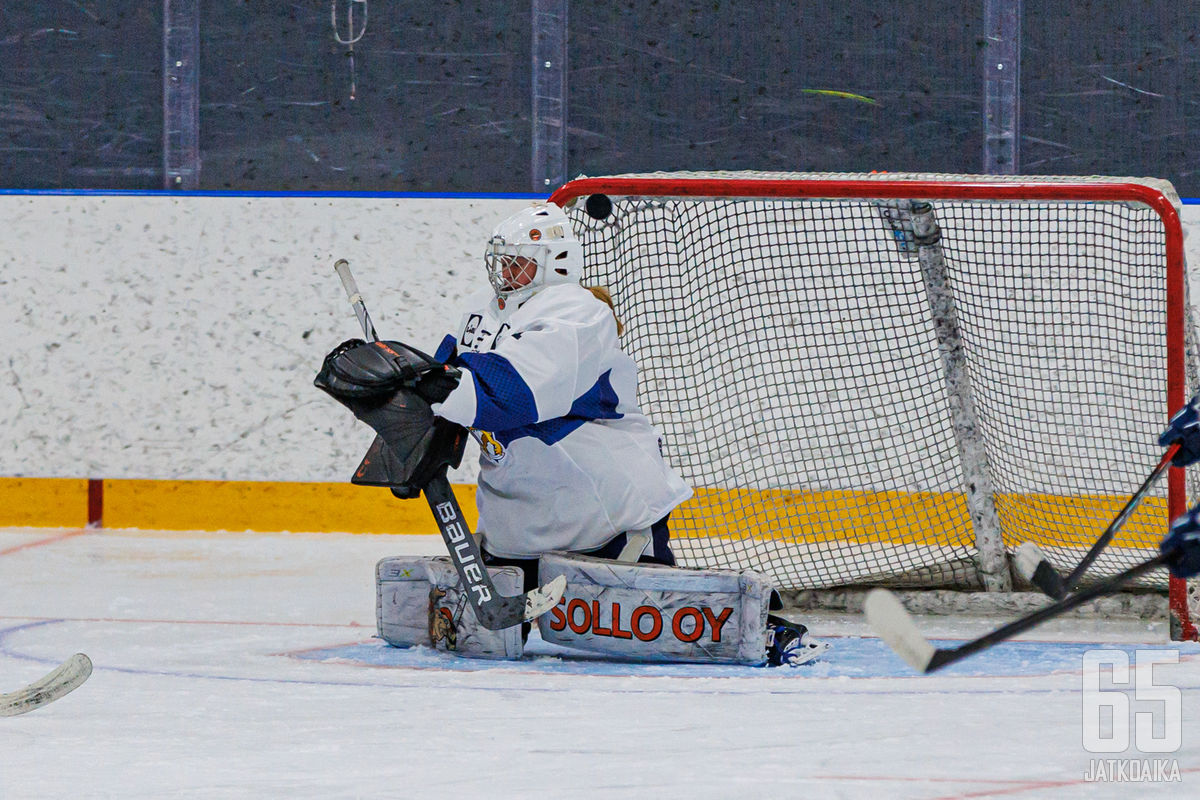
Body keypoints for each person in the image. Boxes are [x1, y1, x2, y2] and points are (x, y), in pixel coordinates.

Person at [410, 202, 824, 666]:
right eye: (502, 259)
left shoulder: (577, 314)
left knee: (658, 638)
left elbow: (511, 393)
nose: (506, 270)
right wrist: (399, 410)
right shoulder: (480, 316)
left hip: (606, 525)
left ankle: (765, 632)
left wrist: (431, 385)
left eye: (519, 260)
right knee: (466, 636)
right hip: (520, 531)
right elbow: (435, 384)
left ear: (556, 263)